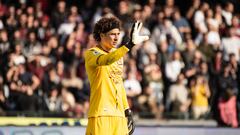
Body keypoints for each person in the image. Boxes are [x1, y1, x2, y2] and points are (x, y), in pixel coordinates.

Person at [84, 16, 149, 135]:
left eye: (118, 34)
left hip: (118, 116)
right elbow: (107, 60)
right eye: (112, 34)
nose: (117, 38)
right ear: (102, 35)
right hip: (101, 114)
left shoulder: (118, 55)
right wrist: (130, 45)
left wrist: (127, 110)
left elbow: (119, 84)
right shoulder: (91, 54)